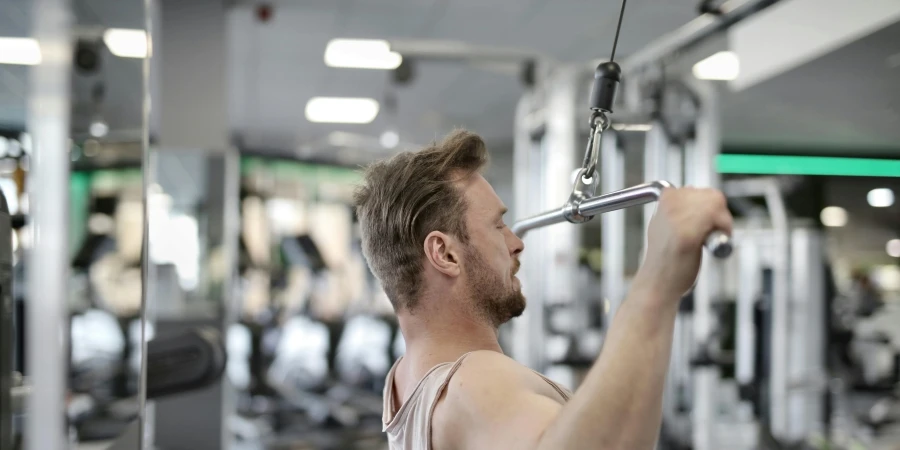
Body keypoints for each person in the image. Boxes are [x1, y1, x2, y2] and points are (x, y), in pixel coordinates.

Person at [354, 130, 733, 450]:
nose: (517, 242)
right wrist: (657, 282)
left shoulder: (405, 379)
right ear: (445, 253)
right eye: (498, 226)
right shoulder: (474, 380)